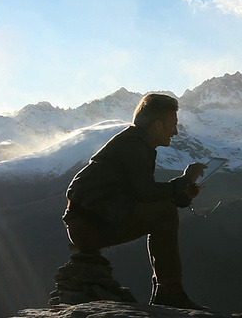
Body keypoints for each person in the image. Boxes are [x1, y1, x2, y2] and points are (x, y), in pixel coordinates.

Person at [62, 93, 207, 310]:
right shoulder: (132, 145)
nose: (175, 131)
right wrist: (184, 181)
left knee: (164, 211)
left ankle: (167, 290)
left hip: (93, 221)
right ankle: (168, 291)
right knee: (164, 213)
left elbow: (141, 194)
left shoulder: (136, 143)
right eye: (173, 125)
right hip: (90, 226)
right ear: (157, 125)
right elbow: (145, 192)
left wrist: (182, 194)